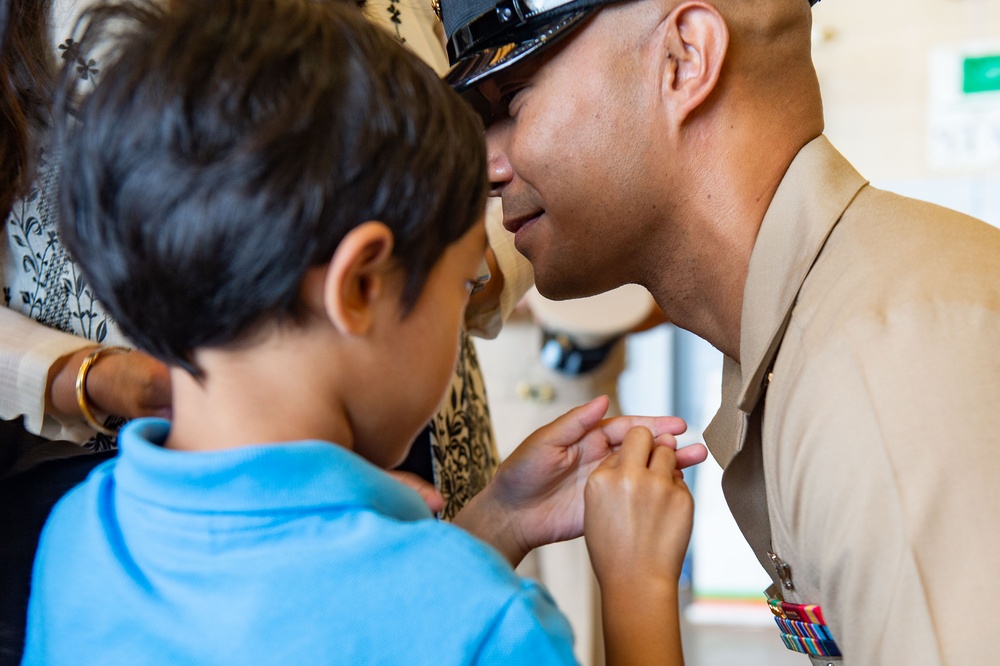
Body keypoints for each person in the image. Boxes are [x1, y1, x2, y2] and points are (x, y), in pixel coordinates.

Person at [23, 0, 707, 663]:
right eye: (467, 281)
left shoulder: (79, 541)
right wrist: (637, 589)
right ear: (359, 286)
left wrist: (498, 519)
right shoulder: (485, 621)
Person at [440, 0, 1000, 663]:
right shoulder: (815, 336)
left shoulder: (890, 366)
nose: (488, 168)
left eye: (514, 103)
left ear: (685, 60)